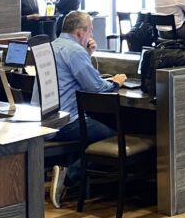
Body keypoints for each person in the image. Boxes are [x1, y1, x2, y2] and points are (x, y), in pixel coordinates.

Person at [48, 11, 127, 208]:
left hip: (46, 117)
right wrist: (116, 83)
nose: (91, 35)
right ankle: (69, 176)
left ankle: (74, 178)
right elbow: (96, 88)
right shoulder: (74, 51)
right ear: (79, 32)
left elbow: (75, 77)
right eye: (90, 30)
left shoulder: (52, 46)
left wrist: (88, 55)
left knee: (92, 129)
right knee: (113, 138)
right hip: (65, 121)